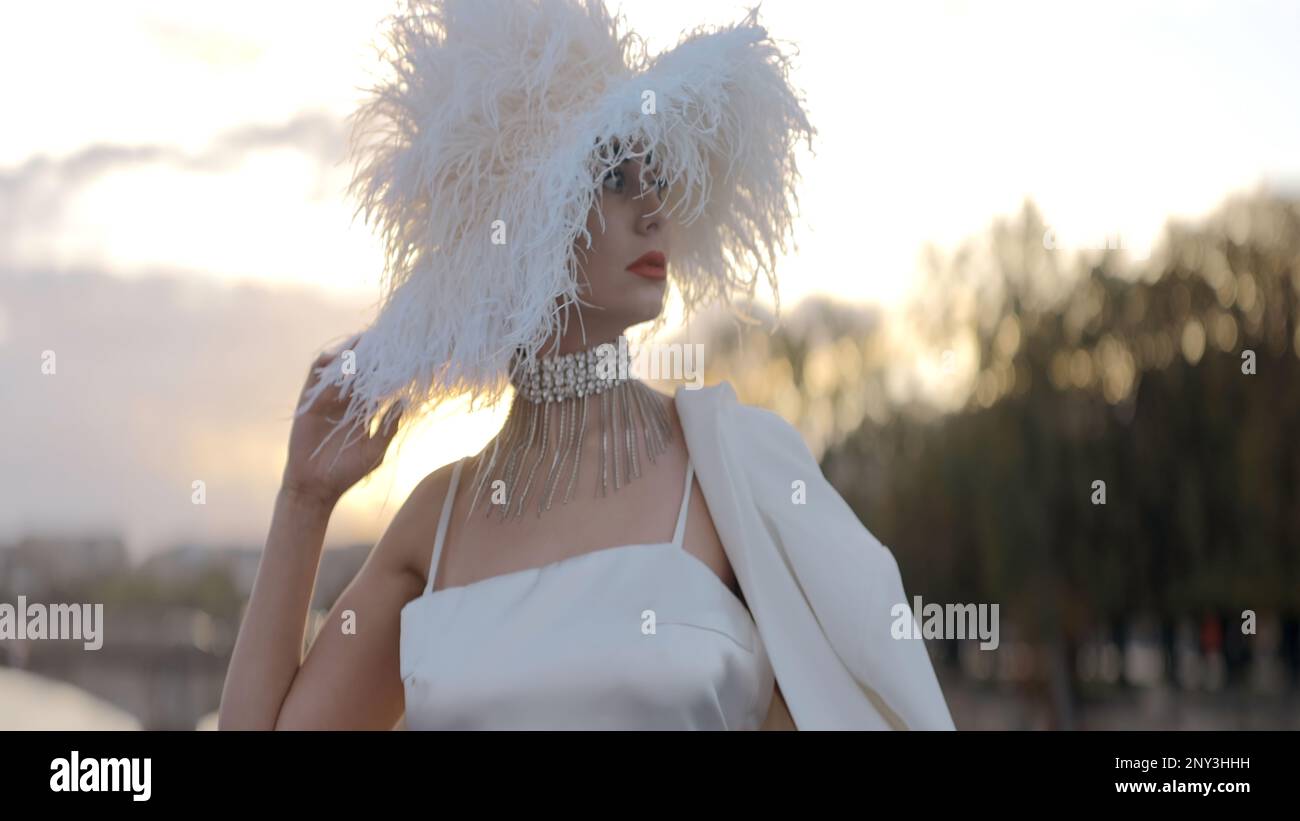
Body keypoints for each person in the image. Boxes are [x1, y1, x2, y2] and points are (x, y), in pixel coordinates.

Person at [219, 0, 954, 731]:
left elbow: (868, 699)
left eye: (656, 172)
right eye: (612, 176)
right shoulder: (435, 518)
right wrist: (304, 500)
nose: (654, 206)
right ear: (523, 215)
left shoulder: (735, 466)